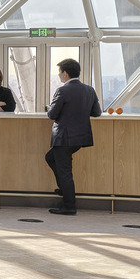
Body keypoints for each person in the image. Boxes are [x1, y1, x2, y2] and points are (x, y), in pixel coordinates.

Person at [43, 57, 100, 215]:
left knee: (65, 171)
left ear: (65, 73)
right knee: (50, 158)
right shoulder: (89, 90)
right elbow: (97, 113)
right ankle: (63, 188)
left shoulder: (62, 90)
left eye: (60, 73)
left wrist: (49, 107)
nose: (59, 76)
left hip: (64, 138)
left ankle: (69, 205)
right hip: (80, 138)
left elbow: (52, 114)